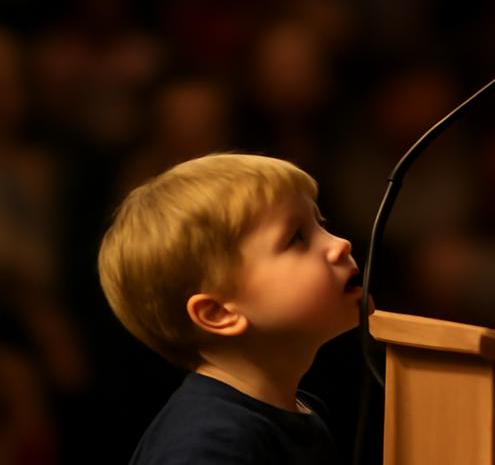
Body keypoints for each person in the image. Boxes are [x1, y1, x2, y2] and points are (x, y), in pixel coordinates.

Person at [98, 153, 362, 464]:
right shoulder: (207, 446)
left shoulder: (297, 410)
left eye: (321, 224)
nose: (340, 244)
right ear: (218, 314)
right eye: (297, 238)